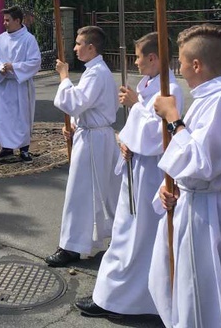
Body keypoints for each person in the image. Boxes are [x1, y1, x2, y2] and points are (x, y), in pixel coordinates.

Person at [149, 24, 221, 328]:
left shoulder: (220, 101)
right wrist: (169, 189)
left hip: (204, 212)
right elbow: (191, 162)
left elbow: (201, 162)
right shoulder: (207, 99)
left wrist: (172, 118)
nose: (177, 68)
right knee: (186, 285)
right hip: (193, 200)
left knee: (199, 289)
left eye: (180, 61)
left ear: (196, 64)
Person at [75, 32, 184, 318]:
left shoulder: (170, 89)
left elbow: (155, 134)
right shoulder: (148, 83)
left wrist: (135, 105)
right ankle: (115, 296)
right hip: (135, 168)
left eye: (137, 57)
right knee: (127, 234)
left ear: (152, 58)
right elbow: (139, 131)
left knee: (136, 238)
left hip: (151, 174)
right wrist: (126, 142)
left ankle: (126, 301)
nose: (134, 63)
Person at [46, 26, 122, 267]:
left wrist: (64, 77)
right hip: (94, 136)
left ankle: (72, 247)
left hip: (94, 141)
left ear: (91, 47)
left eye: (79, 44)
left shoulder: (96, 73)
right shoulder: (97, 71)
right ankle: (91, 240)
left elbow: (74, 102)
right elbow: (88, 107)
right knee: (96, 192)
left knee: (80, 194)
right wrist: (78, 125)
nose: (75, 48)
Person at [0, 6, 41, 164]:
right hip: (4, 84)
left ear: (17, 21)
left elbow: (35, 62)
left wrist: (14, 67)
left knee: (20, 117)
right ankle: (6, 147)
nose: (4, 23)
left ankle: (24, 149)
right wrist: (1, 69)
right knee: (2, 115)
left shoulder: (28, 39)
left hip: (20, 85)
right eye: (4, 20)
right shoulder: (2, 38)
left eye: (7, 20)